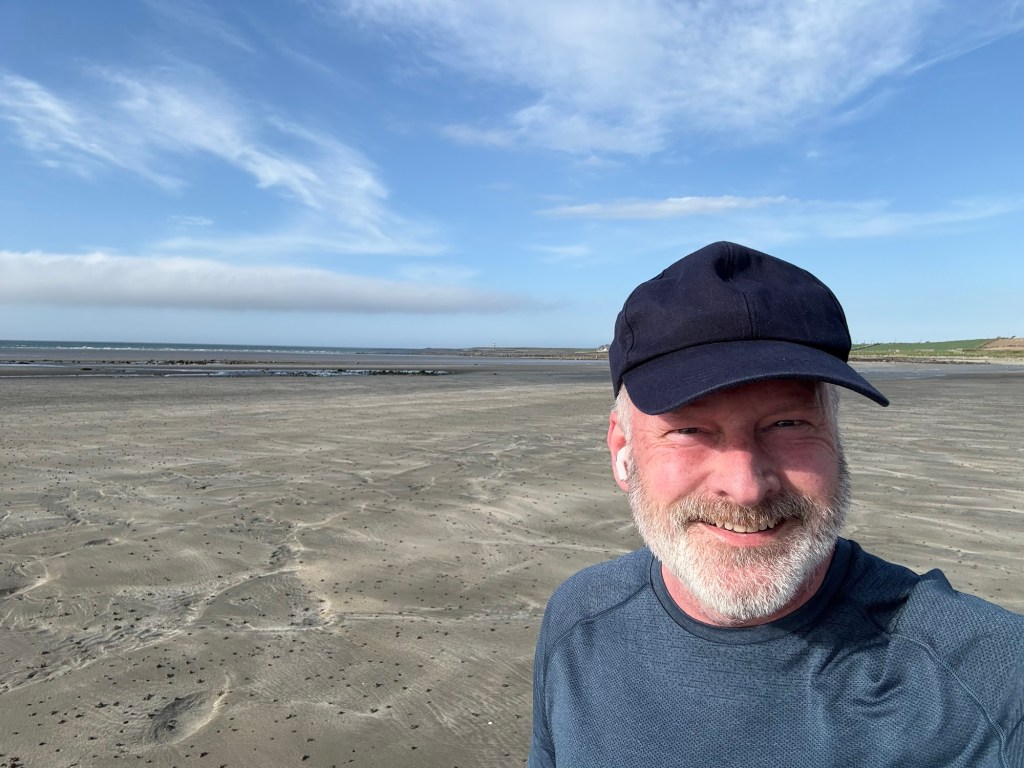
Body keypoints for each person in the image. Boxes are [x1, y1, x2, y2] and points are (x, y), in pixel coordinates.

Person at [528, 241, 1024, 767]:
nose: (745, 487)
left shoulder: (993, 681)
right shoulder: (578, 624)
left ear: (835, 436)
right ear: (623, 450)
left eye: (787, 424)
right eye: (690, 429)